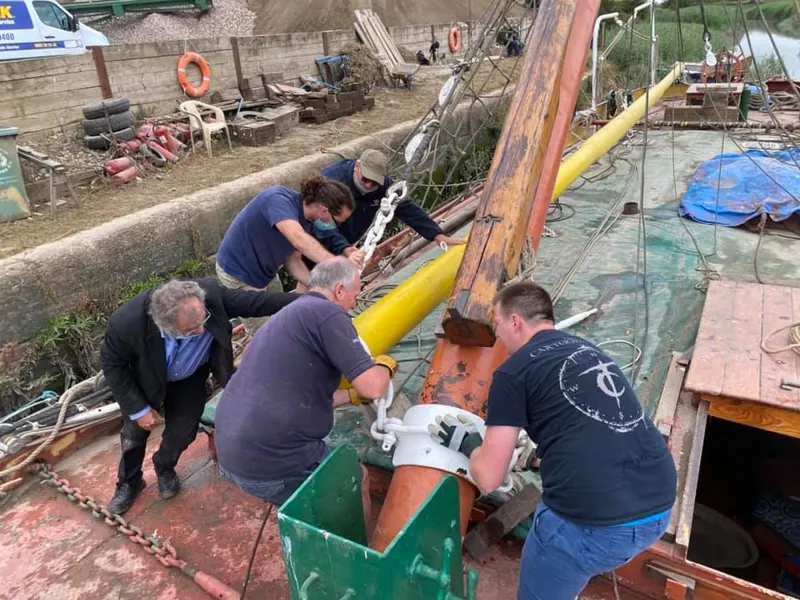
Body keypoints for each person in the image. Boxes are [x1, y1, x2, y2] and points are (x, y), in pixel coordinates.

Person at [430, 282, 677, 600]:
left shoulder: (512, 373)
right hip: (658, 511)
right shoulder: (589, 351)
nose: (498, 333)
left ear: (515, 322)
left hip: (594, 526)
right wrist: (536, 457)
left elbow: (490, 478)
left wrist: (470, 446)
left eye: (498, 323)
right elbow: (594, 429)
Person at [215, 258, 396, 521]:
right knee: (357, 478)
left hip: (232, 453)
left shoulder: (290, 314)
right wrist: (385, 366)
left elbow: (303, 395)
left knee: (298, 500)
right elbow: (373, 387)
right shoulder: (329, 314)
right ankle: (358, 549)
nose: (356, 304)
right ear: (339, 291)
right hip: (271, 461)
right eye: (355, 294)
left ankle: (304, 514)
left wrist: (350, 396)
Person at [100, 278, 297, 515]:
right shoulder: (127, 323)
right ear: (165, 325)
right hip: (146, 380)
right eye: (191, 331)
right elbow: (112, 364)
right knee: (133, 436)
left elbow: (259, 302)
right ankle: (129, 482)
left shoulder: (212, 297)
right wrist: (139, 409)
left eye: (203, 322)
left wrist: (312, 299)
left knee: (183, 432)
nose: (202, 331)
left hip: (190, 377)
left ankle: (164, 466)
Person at [215, 174, 364, 331]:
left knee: (280, 317)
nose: (334, 227)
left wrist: (320, 289)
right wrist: (339, 267)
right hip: (238, 274)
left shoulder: (306, 221)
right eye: (336, 221)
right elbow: (298, 239)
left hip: (266, 273)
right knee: (264, 333)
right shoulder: (277, 200)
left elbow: (294, 261)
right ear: (324, 210)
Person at [313, 149, 464, 261]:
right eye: (365, 179)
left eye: (374, 182)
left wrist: (437, 234)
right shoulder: (332, 181)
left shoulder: (384, 186)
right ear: (356, 166)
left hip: (351, 238)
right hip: (320, 236)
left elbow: (406, 208)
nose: (368, 184)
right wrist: (343, 248)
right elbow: (321, 223)